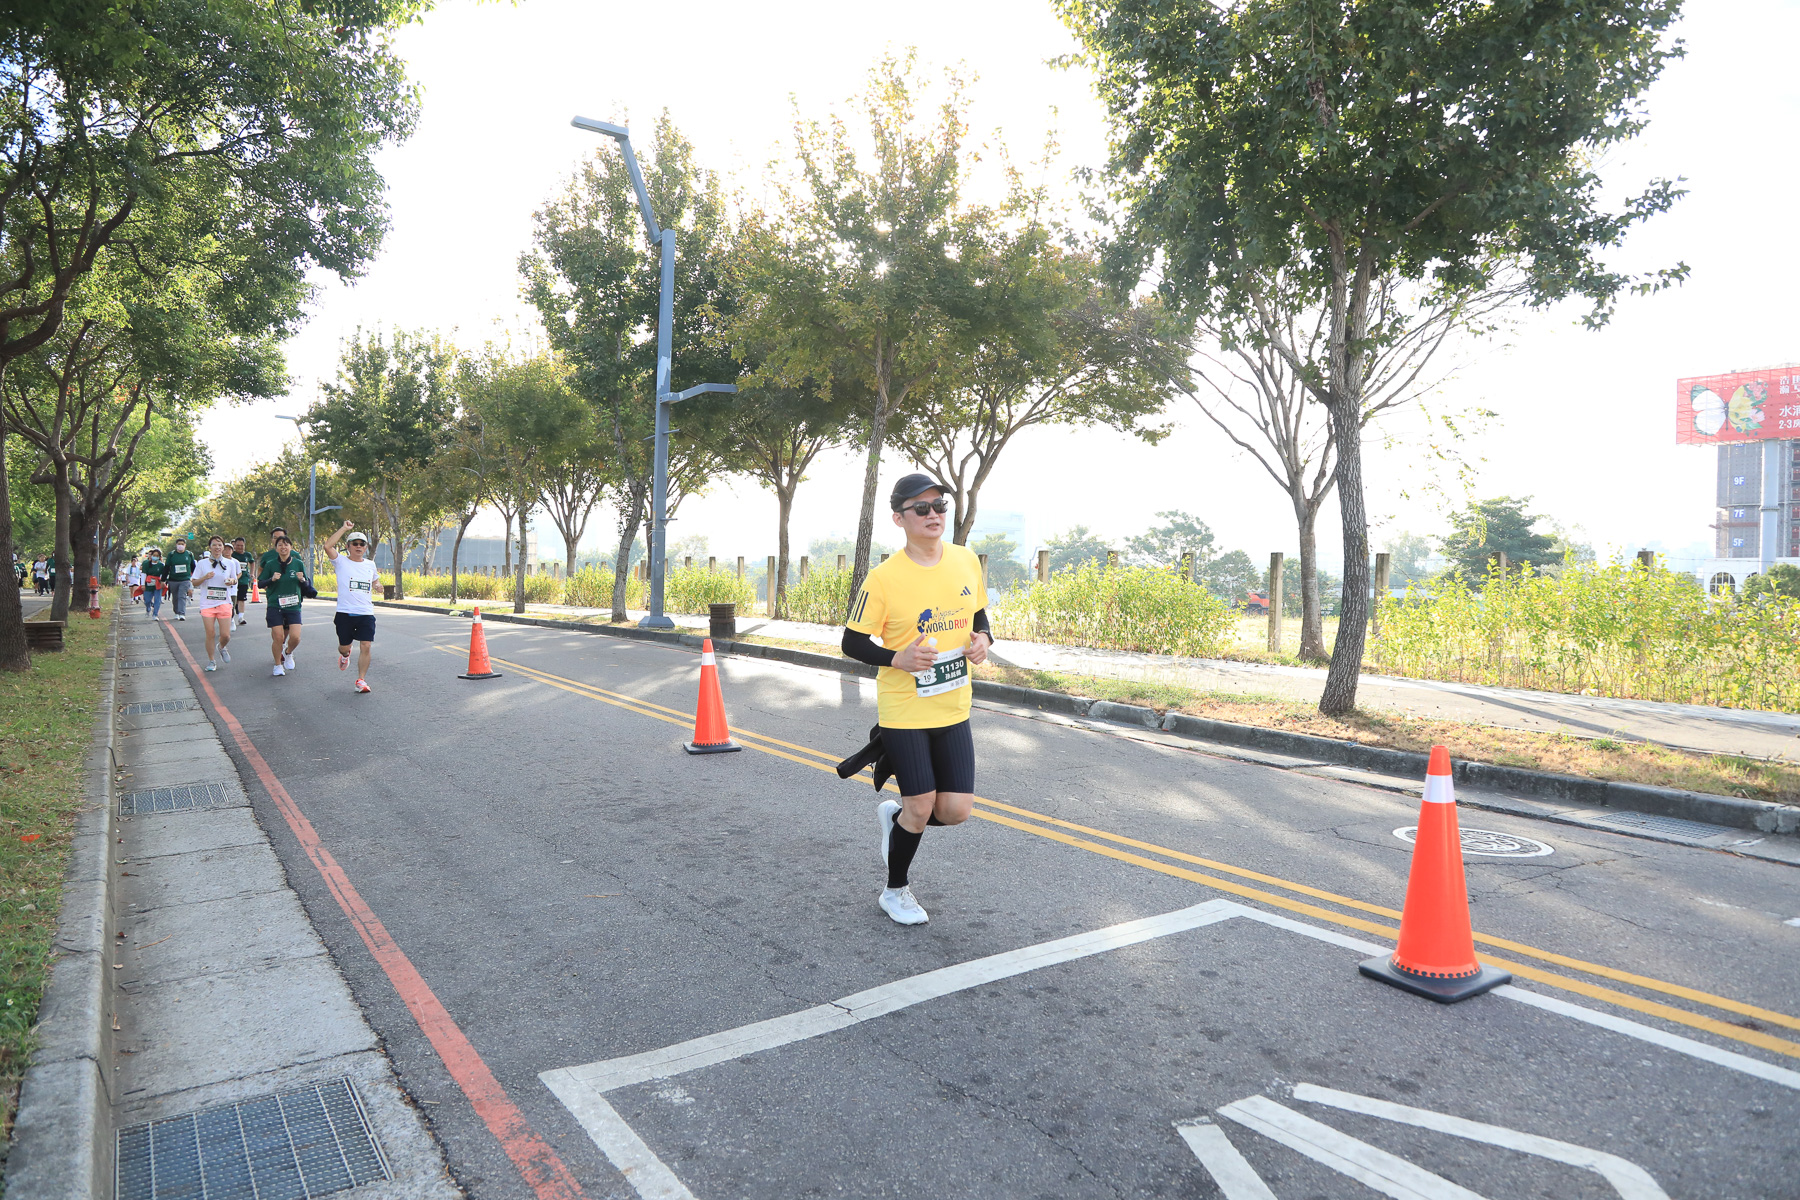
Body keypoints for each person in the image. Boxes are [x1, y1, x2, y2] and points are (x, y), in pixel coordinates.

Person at [839, 473, 992, 926]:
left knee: (955, 811)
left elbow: (979, 615)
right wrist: (897, 658)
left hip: (953, 705)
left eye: (939, 505)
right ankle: (895, 891)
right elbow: (851, 642)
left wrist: (983, 639)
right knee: (921, 805)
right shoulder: (884, 578)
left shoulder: (965, 561)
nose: (933, 514)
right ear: (899, 519)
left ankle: (898, 819)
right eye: (921, 508)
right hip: (904, 710)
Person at [322, 520, 379, 693]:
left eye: (362, 544)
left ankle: (361, 680)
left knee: (366, 645)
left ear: (366, 547)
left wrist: (378, 585)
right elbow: (327, 546)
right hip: (345, 612)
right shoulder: (340, 561)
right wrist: (344, 528)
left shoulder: (370, 564)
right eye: (355, 543)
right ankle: (345, 655)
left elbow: (375, 580)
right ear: (348, 546)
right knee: (344, 647)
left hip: (365, 612)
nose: (359, 546)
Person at [260, 534, 309, 676]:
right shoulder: (270, 564)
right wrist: (271, 579)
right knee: (278, 637)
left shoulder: (298, 563)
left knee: (296, 637)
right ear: (276, 548)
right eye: (280, 545)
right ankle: (277, 665)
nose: (283, 547)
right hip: (275, 605)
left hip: (293, 605)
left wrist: (302, 580)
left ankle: (288, 653)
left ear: (291, 547)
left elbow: (306, 584)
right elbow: (260, 583)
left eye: (286, 544)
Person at [191, 536, 241, 670]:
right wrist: (205, 577)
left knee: (226, 635)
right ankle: (211, 661)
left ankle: (222, 646)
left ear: (223, 547)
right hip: (207, 603)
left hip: (224, 602)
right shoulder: (202, 563)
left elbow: (235, 579)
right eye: (214, 545)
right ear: (210, 547)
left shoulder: (230, 563)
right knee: (210, 633)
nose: (217, 547)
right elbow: (194, 582)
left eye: (219, 545)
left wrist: (232, 581)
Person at [164, 536, 197, 620]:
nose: (180, 545)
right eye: (179, 544)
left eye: (182, 544)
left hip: (185, 579)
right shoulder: (171, 555)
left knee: (182, 596)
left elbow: (193, 567)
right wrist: (163, 580)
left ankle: (182, 613)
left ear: (185, 545)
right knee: (175, 597)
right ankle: (176, 612)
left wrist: (194, 578)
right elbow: (167, 567)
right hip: (173, 580)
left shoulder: (189, 554)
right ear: (176, 545)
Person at [230, 537, 254, 628]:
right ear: (234, 546)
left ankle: (241, 617)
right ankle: (231, 617)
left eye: (242, 545)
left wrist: (251, 573)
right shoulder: (232, 555)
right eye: (238, 545)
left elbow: (252, 562)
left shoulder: (247, 555)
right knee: (232, 599)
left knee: (241, 599)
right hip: (233, 581)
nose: (240, 547)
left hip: (243, 580)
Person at [141, 548, 165, 618]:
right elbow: (143, 574)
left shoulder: (161, 565)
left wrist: (163, 582)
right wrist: (143, 584)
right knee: (147, 600)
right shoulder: (146, 564)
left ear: (159, 557)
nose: (155, 557)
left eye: (157, 556)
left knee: (157, 600)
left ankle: (155, 614)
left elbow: (162, 575)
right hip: (148, 584)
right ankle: (148, 608)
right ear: (151, 556)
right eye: (154, 555)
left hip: (157, 584)